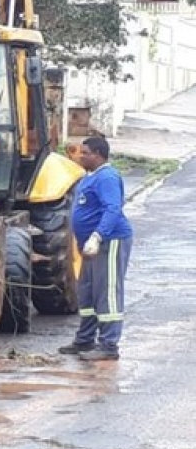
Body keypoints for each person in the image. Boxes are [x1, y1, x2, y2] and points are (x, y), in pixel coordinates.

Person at [59, 136, 133, 361]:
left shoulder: (107, 177)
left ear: (98, 155)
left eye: (85, 153)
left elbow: (113, 209)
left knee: (107, 292)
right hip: (89, 246)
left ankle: (109, 345)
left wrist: (98, 236)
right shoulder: (89, 177)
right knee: (88, 292)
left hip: (109, 242)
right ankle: (85, 339)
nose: (80, 156)